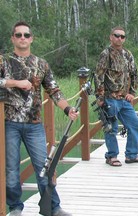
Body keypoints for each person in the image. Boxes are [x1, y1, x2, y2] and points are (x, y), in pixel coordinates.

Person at [0, 21, 78, 216]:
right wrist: (16, 82)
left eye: (26, 35)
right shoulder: (3, 61)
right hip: (10, 124)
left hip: (34, 125)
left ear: (31, 38)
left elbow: (54, 90)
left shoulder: (41, 64)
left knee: (45, 167)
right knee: (11, 170)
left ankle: (53, 207)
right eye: (18, 35)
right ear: (12, 38)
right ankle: (15, 207)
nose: (22, 38)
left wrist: (67, 108)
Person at [94, 26, 138, 167]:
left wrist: (132, 92)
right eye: (116, 35)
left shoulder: (128, 54)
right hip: (109, 98)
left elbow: (134, 74)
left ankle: (132, 154)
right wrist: (100, 97)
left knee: (135, 125)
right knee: (111, 128)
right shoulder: (105, 54)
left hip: (124, 100)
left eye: (122, 36)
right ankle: (112, 156)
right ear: (111, 37)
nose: (119, 38)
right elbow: (98, 76)